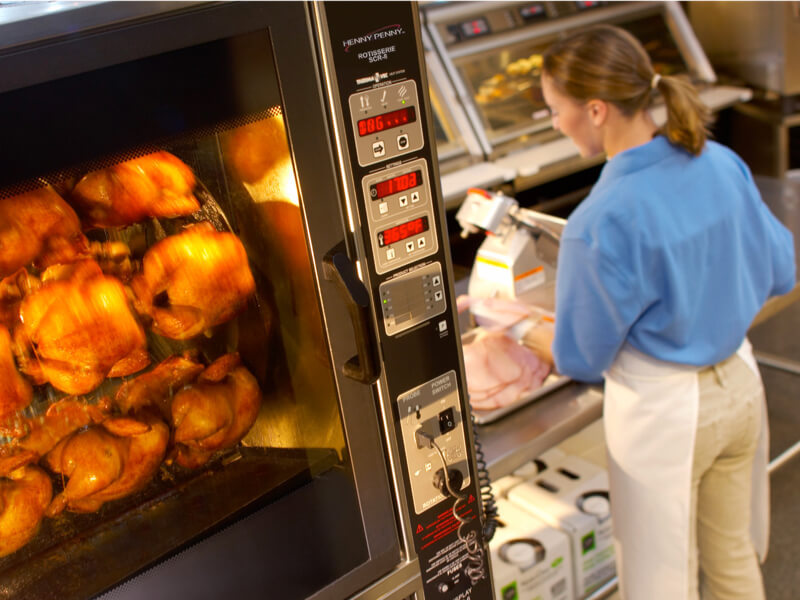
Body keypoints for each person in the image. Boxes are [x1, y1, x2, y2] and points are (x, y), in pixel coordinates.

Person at [540, 25, 796, 600]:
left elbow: (582, 358)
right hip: (741, 389)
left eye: (556, 111)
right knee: (731, 553)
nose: (555, 124)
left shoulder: (598, 221)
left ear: (597, 110)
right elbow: (781, 270)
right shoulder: (722, 162)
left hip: (667, 416)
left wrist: (529, 329)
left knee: (660, 582)